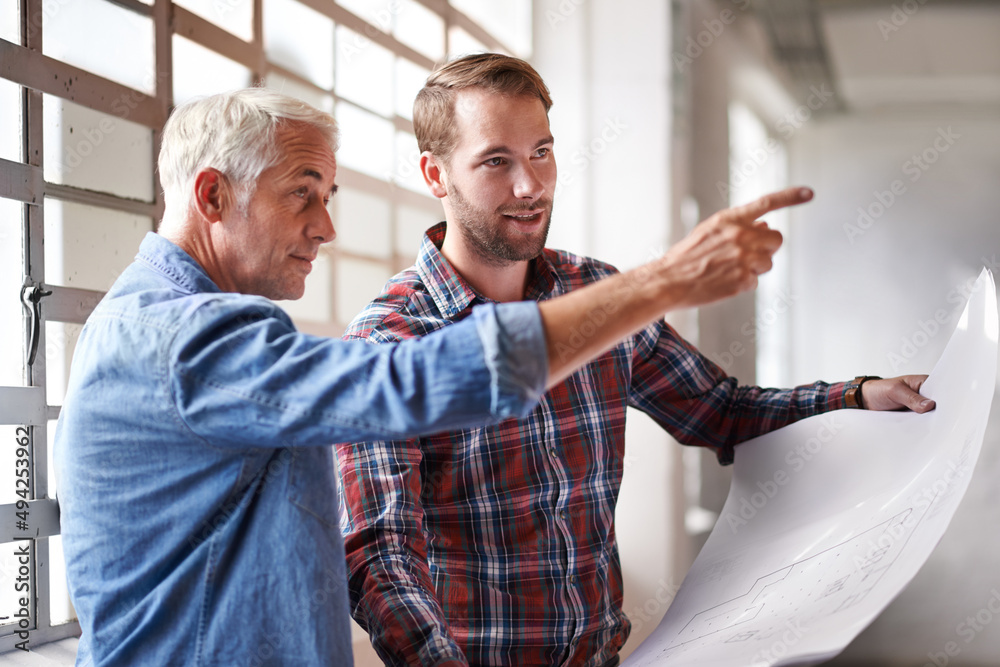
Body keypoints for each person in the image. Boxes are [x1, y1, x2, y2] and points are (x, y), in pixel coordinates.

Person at [51, 87, 816, 666]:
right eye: (301, 193)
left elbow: (718, 407)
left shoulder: (173, 324)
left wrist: (849, 397)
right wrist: (664, 282)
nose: (325, 226)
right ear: (213, 195)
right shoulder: (184, 338)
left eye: (328, 195)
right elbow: (400, 392)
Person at [334, 54, 935, 667]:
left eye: (542, 152)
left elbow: (719, 410)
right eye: (496, 161)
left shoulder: (597, 294)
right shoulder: (389, 341)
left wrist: (857, 395)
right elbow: (379, 556)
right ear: (435, 174)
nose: (531, 186)